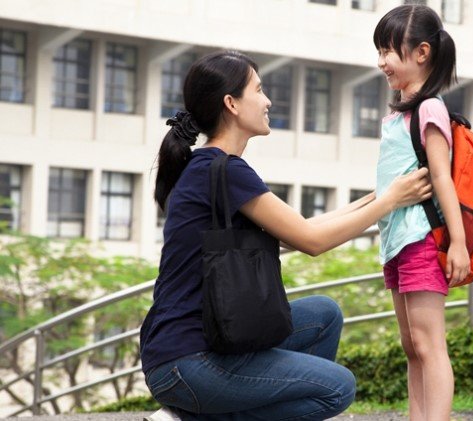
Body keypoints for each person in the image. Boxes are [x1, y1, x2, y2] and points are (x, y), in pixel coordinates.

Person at [140, 50, 433, 421]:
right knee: (337, 388)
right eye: (259, 90)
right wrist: (392, 201)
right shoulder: (225, 170)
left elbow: (300, 230)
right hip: (188, 361)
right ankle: (193, 418)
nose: (268, 100)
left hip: (194, 350)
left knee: (323, 316)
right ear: (231, 103)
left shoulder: (213, 168)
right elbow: (312, 241)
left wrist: (378, 197)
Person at [373, 4, 471, 421]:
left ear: (421, 53)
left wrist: (460, 244)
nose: (381, 63)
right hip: (397, 243)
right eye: (378, 51)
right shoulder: (398, 114)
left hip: (421, 241)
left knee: (430, 346)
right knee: (411, 345)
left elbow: (442, 178)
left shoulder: (430, 110)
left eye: (388, 51)